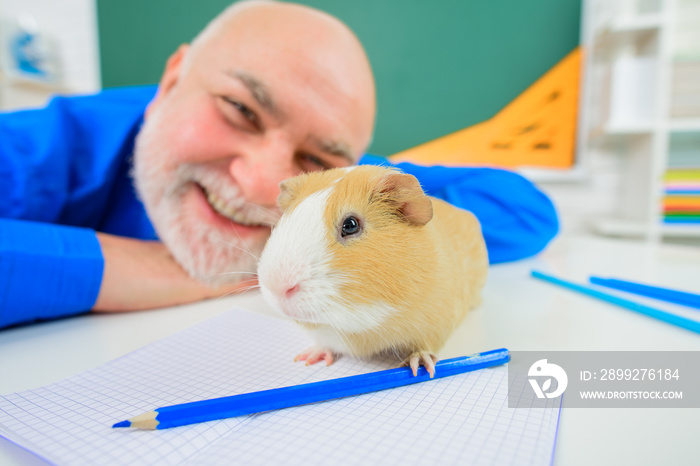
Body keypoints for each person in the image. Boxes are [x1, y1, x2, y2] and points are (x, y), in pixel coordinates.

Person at [0, 0, 558, 330]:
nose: (269, 186)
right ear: (172, 81)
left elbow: (525, 209)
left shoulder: (338, 190)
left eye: (316, 158)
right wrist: (154, 270)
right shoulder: (43, 149)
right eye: (240, 109)